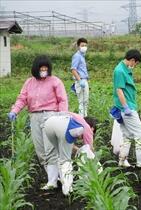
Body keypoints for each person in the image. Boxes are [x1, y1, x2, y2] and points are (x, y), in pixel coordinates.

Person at [8, 55, 68, 187]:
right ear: (36, 69)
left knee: (50, 149)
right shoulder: (29, 83)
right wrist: (14, 111)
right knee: (40, 151)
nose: (44, 71)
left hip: (51, 116)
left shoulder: (55, 81)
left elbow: (62, 100)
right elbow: (22, 98)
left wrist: (62, 116)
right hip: (34, 116)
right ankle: (55, 176)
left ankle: (52, 181)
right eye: (41, 68)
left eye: (46, 68)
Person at [43, 112, 97, 195]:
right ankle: (68, 190)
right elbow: (89, 150)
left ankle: (58, 182)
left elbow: (69, 145)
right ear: (92, 128)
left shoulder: (76, 119)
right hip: (63, 126)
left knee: (59, 154)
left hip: (48, 124)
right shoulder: (87, 127)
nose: (81, 138)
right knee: (65, 160)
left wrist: (78, 150)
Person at [112, 49, 141, 168]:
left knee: (127, 135)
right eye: (136, 63)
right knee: (140, 133)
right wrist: (126, 107)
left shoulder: (125, 69)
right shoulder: (120, 71)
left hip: (126, 107)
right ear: (132, 60)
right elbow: (119, 90)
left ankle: (122, 160)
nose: (135, 66)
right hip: (126, 108)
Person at [71, 38, 89, 117]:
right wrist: (80, 80)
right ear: (78, 46)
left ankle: (84, 117)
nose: (84, 47)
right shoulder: (77, 56)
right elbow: (73, 69)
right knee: (82, 102)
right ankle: (82, 119)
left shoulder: (82, 56)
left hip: (84, 80)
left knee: (85, 101)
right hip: (80, 81)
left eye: (85, 45)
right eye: (82, 45)